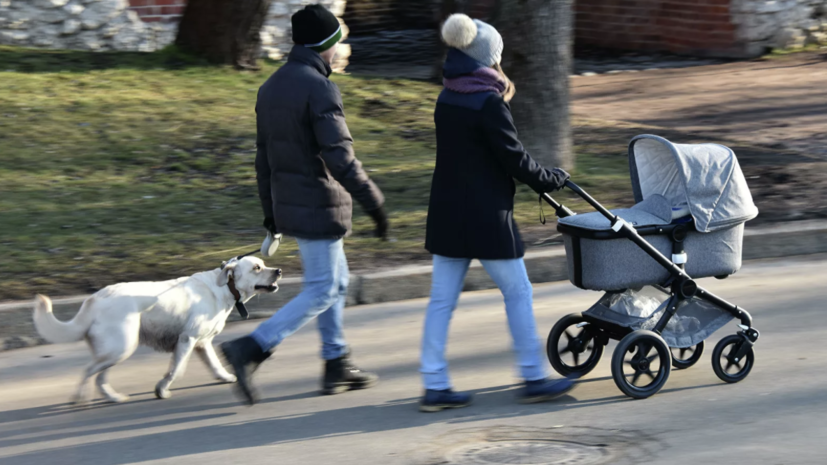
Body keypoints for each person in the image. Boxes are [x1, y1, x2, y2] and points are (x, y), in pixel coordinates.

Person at [221, 4, 388, 405]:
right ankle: (251, 347)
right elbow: (340, 157)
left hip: (293, 204)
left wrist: (270, 213)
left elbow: (264, 160)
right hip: (318, 204)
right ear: (326, 45)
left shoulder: (272, 86)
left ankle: (336, 361)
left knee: (337, 283)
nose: (338, 51)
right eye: (337, 44)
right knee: (323, 288)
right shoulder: (320, 87)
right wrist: (374, 200)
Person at [419, 14, 576, 412]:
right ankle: (532, 376)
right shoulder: (487, 102)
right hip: (486, 216)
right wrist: (551, 178)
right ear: (489, 59)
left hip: (447, 212)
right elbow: (515, 160)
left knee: (441, 301)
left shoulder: (448, 95)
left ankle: (434, 383)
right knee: (519, 292)